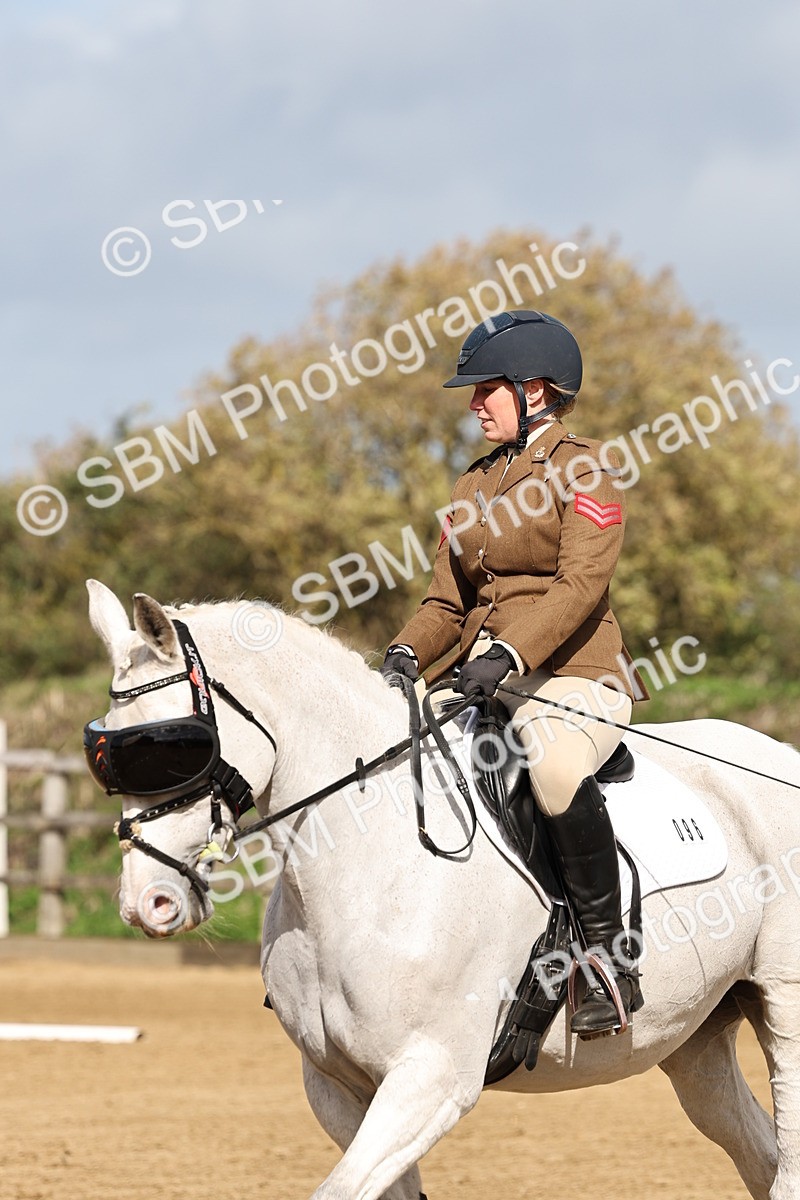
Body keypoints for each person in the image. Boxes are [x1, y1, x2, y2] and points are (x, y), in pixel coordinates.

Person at [380, 310, 648, 1037]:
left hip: (574, 676)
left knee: (556, 770)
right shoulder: (470, 486)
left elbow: (579, 586)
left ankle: (606, 958)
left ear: (536, 390)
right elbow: (447, 601)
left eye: (485, 389)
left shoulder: (585, 469)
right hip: (481, 678)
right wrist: (406, 653)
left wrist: (510, 655)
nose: (473, 404)